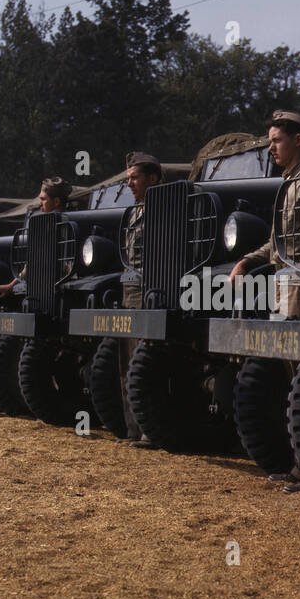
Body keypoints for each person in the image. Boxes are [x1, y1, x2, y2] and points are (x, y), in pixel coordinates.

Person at [229, 110, 300, 491]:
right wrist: (247, 260)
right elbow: (275, 243)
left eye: (276, 141)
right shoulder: (287, 183)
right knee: (291, 378)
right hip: (284, 286)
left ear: (298, 140)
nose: (271, 148)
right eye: (269, 141)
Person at [118, 153, 163, 446]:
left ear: (153, 179)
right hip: (130, 289)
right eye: (128, 179)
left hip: (149, 291)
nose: (130, 184)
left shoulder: (162, 209)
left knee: (144, 364)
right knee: (126, 363)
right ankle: (133, 429)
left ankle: (150, 430)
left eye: (135, 178)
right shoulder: (134, 211)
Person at [0, 177, 72, 295]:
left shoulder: (69, 227)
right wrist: (11, 285)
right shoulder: (48, 225)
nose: (40, 203)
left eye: (43, 199)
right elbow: (33, 261)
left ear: (56, 202)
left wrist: (11, 285)